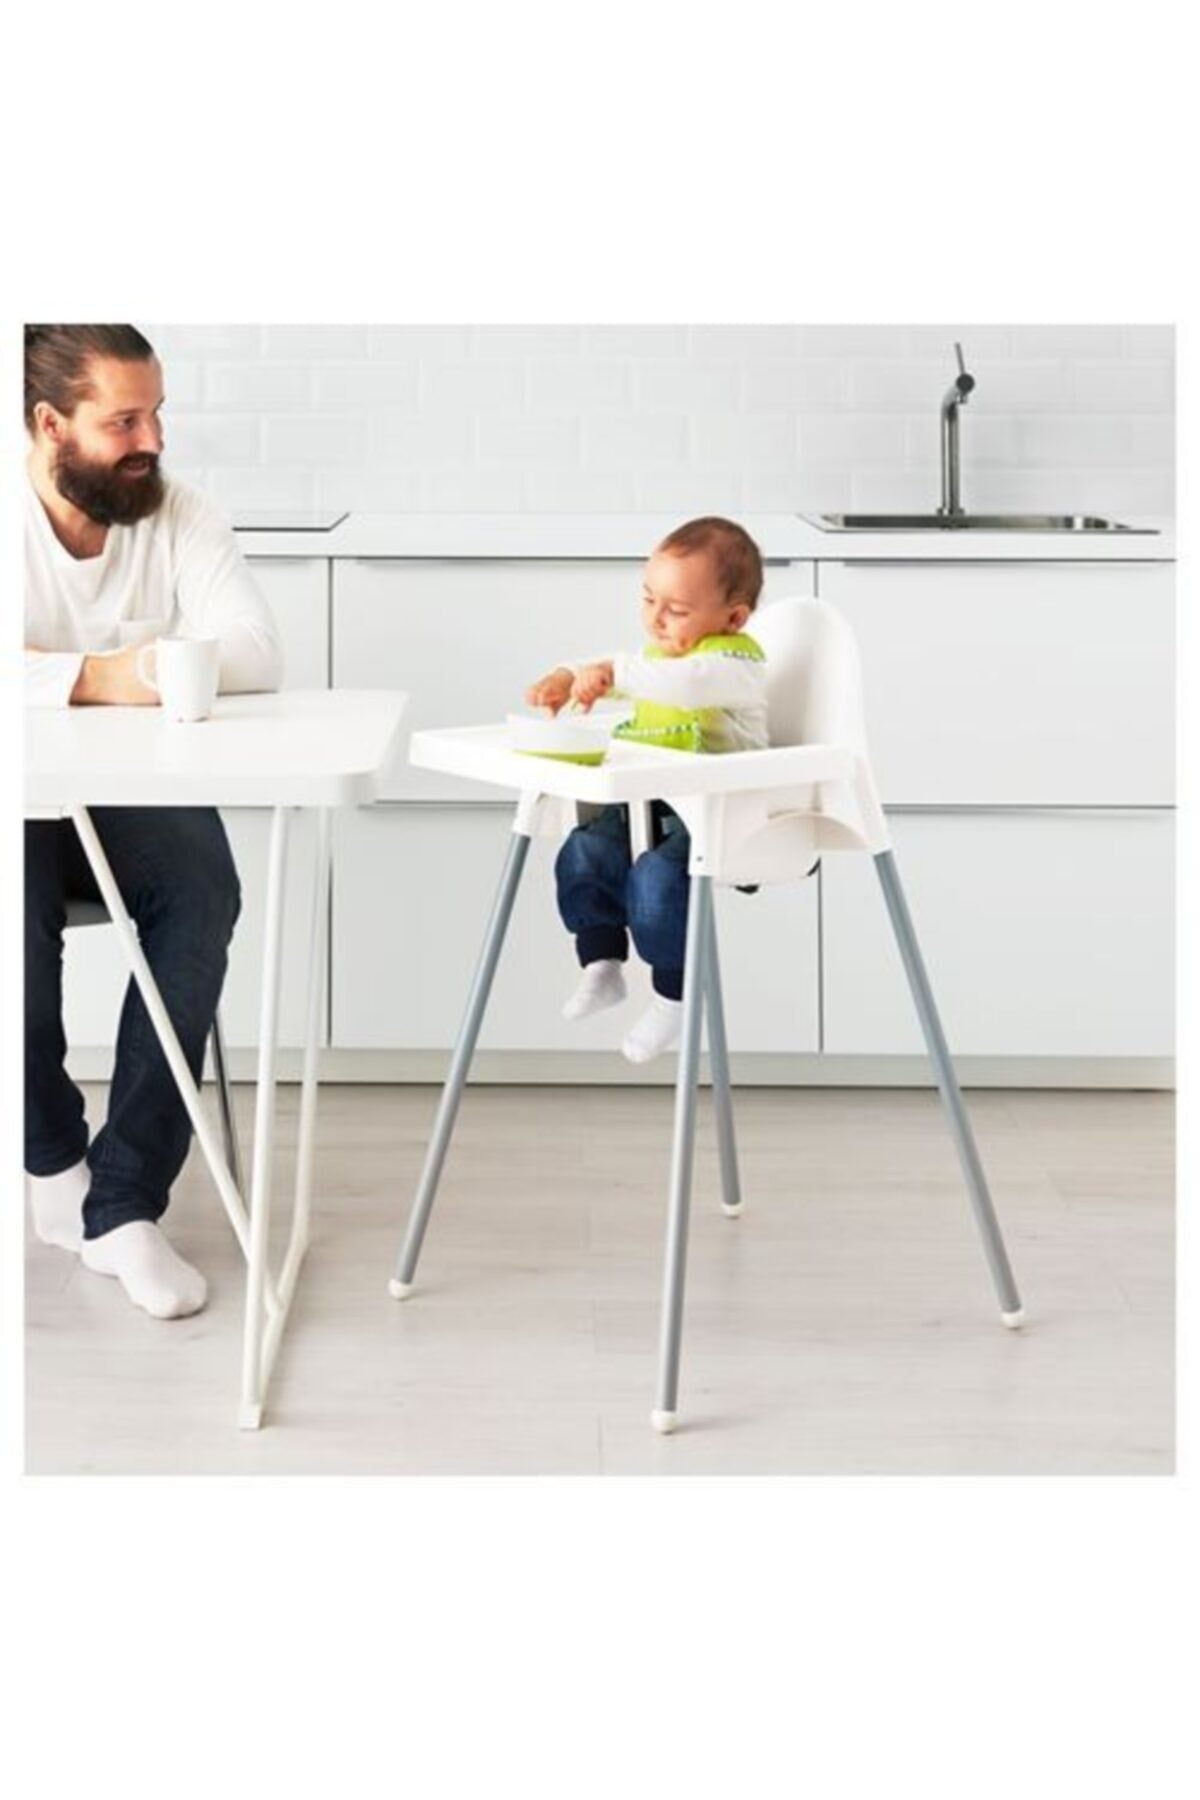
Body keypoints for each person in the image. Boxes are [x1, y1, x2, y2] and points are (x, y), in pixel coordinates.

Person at [24, 324, 283, 1319]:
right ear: (51, 425)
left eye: (157, 414)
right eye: (123, 420)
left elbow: (257, 651)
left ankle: (124, 1201)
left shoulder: (178, 512)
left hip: (131, 795)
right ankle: (50, 1159)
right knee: (16, 913)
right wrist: (111, 673)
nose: (150, 440)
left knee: (204, 892)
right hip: (19, 799)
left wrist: (50, 676)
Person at [525, 516, 768, 1064]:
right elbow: (628, 668)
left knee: (657, 877)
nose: (656, 620)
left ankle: (674, 994)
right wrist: (569, 676)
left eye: (677, 610)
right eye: (648, 600)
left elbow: (682, 685)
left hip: (720, 813)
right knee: (584, 848)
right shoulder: (657, 659)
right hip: (653, 801)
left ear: (733, 618)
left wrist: (609, 672)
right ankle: (601, 961)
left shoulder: (733, 664)